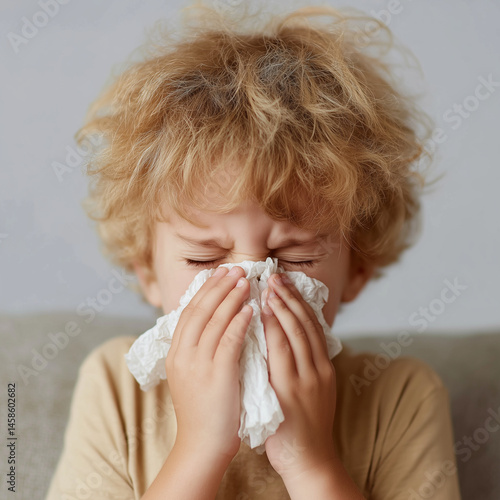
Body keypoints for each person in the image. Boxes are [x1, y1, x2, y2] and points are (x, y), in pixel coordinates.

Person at [45, 3, 461, 499]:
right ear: (146, 272)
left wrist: (309, 460)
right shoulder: (116, 387)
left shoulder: (399, 396)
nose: (248, 286)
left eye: (297, 258)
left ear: (357, 269)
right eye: (203, 259)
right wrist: (201, 446)